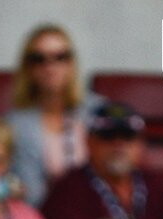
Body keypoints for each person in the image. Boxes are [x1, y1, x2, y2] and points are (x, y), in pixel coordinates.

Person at [7, 25, 98, 207]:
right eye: (39, 59)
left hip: (98, 217)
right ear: (28, 67)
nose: (50, 67)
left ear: (72, 63)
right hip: (45, 218)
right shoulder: (14, 124)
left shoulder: (98, 112)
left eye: (60, 57)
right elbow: (29, 195)